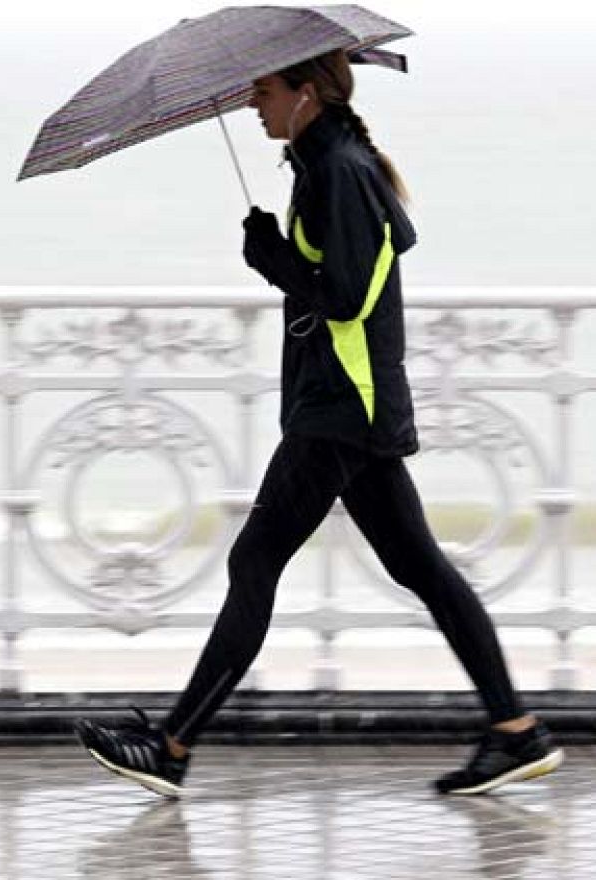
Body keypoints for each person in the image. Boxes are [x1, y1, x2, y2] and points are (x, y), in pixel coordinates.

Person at [74, 49, 564, 798]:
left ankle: (171, 746)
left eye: (263, 89)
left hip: (342, 407)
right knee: (421, 568)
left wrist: (271, 258)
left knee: (255, 561)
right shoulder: (322, 161)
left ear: (306, 93)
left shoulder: (339, 169)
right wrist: (279, 255)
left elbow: (345, 297)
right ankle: (515, 731)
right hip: (346, 404)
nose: (250, 103)